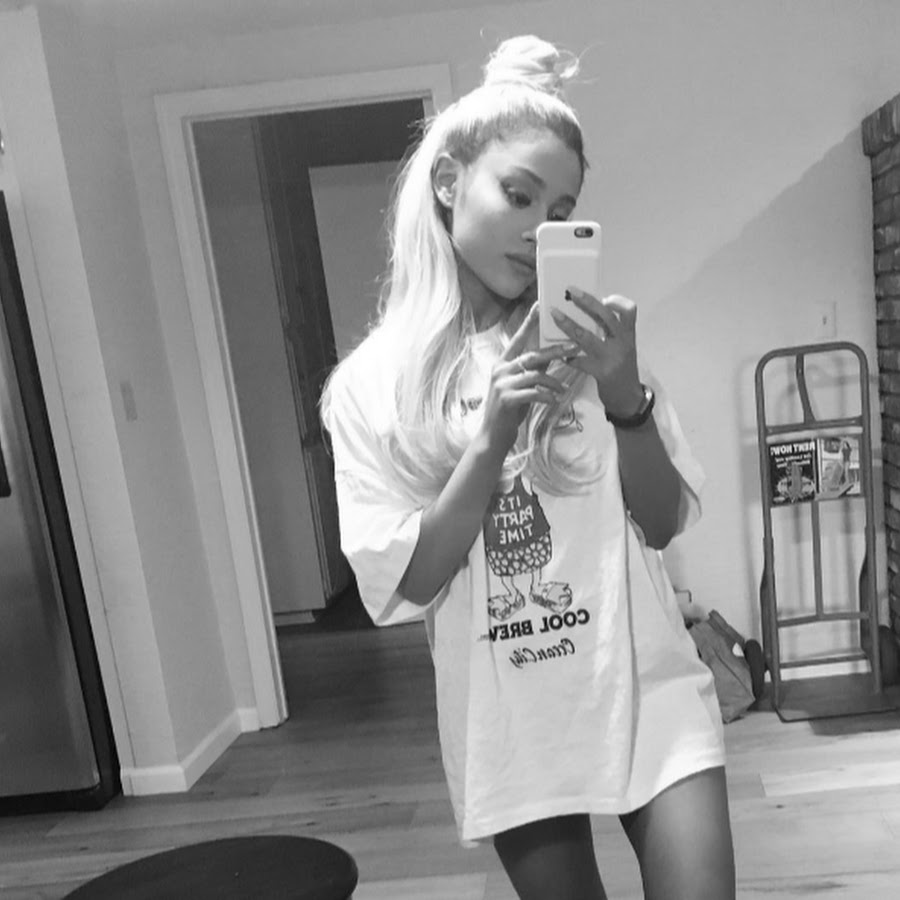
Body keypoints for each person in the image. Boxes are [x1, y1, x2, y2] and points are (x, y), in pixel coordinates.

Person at [320, 34, 736, 900]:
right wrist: (490, 438)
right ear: (448, 182)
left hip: (650, 685)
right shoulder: (372, 385)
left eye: (562, 208)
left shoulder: (588, 344)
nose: (539, 227)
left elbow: (661, 525)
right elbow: (411, 581)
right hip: (513, 717)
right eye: (518, 195)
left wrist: (624, 395)